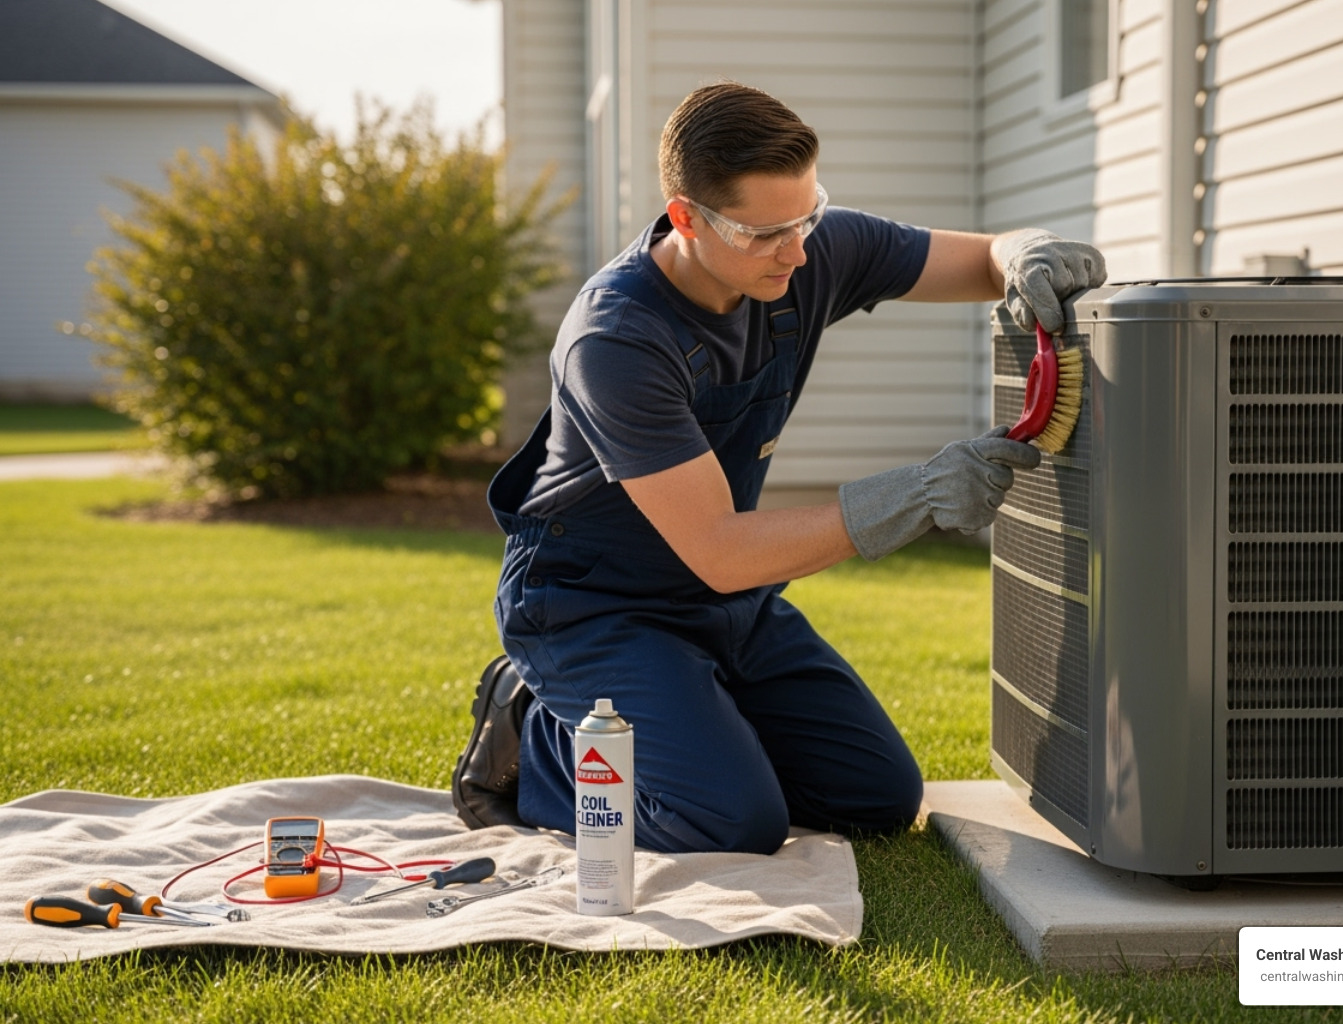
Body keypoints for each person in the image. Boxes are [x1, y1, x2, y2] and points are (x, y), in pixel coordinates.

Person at [452, 82, 1106, 854]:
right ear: (686, 216)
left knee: (877, 797)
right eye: (764, 233)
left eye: (806, 216)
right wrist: (920, 495)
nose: (796, 251)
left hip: (730, 605)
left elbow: (980, 261)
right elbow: (723, 550)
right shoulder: (618, 339)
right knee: (728, 821)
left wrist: (1024, 251)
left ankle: (695, 721)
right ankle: (532, 738)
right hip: (594, 608)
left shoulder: (803, 249)